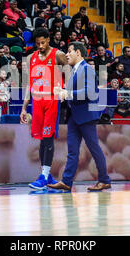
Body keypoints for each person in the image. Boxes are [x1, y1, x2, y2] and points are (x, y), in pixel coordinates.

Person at [48, 42, 111, 192]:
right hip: (75, 116)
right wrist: (62, 91)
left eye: (69, 52)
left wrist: (67, 93)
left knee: (94, 148)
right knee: (73, 151)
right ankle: (66, 181)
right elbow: (75, 93)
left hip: (86, 115)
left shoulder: (86, 69)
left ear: (78, 52)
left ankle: (104, 180)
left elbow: (88, 92)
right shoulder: (75, 70)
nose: (67, 55)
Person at [20, 27, 67, 190]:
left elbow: (70, 72)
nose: (39, 46)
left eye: (42, 42)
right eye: (37, 43)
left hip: (52, 101)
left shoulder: (58, 54)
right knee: (41, 138)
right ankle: (47, 175)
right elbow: (29, 84)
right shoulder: (31, 57)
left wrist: (64, 88)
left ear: (48, 40)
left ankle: (44, 176)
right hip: (37, 102)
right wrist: (24, 107)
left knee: (47, 137)